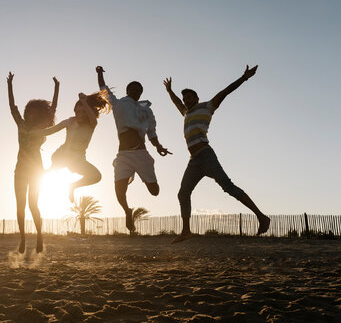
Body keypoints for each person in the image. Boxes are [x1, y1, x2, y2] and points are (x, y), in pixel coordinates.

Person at [163, 65, 271, 243]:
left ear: (197, 98)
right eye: (185, 99)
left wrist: (244, 78)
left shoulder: (208, 106)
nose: (187, 101)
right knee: (183, 193)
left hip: (206, 155)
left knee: (228, 187)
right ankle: (186, 231)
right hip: (194, 161)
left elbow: (226, 91)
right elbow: (177, 102)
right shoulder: (185, 113)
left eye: (190, 98)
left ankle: (261, 216)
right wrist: (169, 91)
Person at [96, 66, 171, 233]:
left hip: (141, 153)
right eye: (133, 88)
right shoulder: (119, 103)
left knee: (155, 192)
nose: (136, 91)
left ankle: (143, 176)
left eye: (139, 90)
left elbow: (152, 131)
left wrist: (158, 146)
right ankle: (127, 211)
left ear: (141, 93)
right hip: (123, 155)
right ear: (128, 90)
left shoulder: (146, 110)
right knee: (119, 190)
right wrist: (99, 73)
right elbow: (103, 90)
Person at [7, 72, 59, 253]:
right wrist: (9, 85)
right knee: (20, 206)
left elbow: (52, 110)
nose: (29, 113)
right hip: (19, 170)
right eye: (28, 111)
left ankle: (39, 235)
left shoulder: (42, 128)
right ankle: (22, 238)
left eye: (33, 112)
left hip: (37, 171)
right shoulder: (20, 124)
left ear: (39, 114)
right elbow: (12, 107)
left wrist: (57, 88)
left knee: (33, 205)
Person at [29, 91, 110, 203]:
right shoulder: (70, 121)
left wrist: (84, 102)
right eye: (77, 111)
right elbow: (50, 131)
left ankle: (72, 186)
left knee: (97, 176)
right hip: (62, 155)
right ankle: (42, 174)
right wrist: (32, 133)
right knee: (49, 172)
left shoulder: (91, 124)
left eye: (82, 112)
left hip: (78, 160)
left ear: (87, 112)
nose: (79, 114)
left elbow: (92, 118)